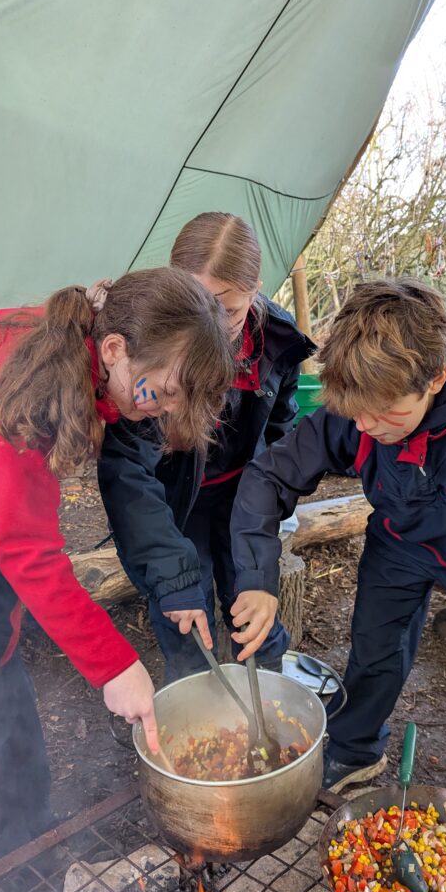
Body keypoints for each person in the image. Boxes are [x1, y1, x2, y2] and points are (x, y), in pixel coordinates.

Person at [228, 277, 446, 892]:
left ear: (434, 377)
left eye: (384, 414)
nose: (365, 428)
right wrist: (256, 580)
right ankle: (357, 748)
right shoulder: (355, 409)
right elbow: (268, 475)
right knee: (375, 649)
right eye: (356, 415)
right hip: (398, 541)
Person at [0, 268, 234, 888]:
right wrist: (116, 666)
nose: (163, 410)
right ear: (114, 348)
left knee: (7, 700)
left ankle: (29, 865)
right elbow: (29, 551)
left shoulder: (90, 359)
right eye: (161, 391)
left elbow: (20, 534)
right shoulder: (27, 382)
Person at [98, 212, 315, 681]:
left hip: (246, 497)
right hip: (177, 499)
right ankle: (194, 701)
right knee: (183, 606)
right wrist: (173, 582)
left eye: (229, 310)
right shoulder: (148, 346)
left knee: (252, 602)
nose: (214, 329)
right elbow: (128, 476)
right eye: (198, 304)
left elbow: (282, 430)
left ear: (256, 288)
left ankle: (270, 704)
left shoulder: (277, 341)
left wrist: (273, 501)